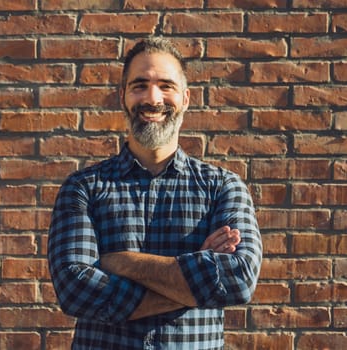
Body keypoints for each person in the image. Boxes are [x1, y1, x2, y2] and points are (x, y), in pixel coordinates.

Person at [47, 37, 263, 350]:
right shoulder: (84, 187)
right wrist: (195, 281)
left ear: (186, 98)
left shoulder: (223, 187)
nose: (152, 98)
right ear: (122, 97)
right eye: (139, 85)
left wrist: (119, 263)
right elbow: (73, 289)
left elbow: (239, 280)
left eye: (166, 85)